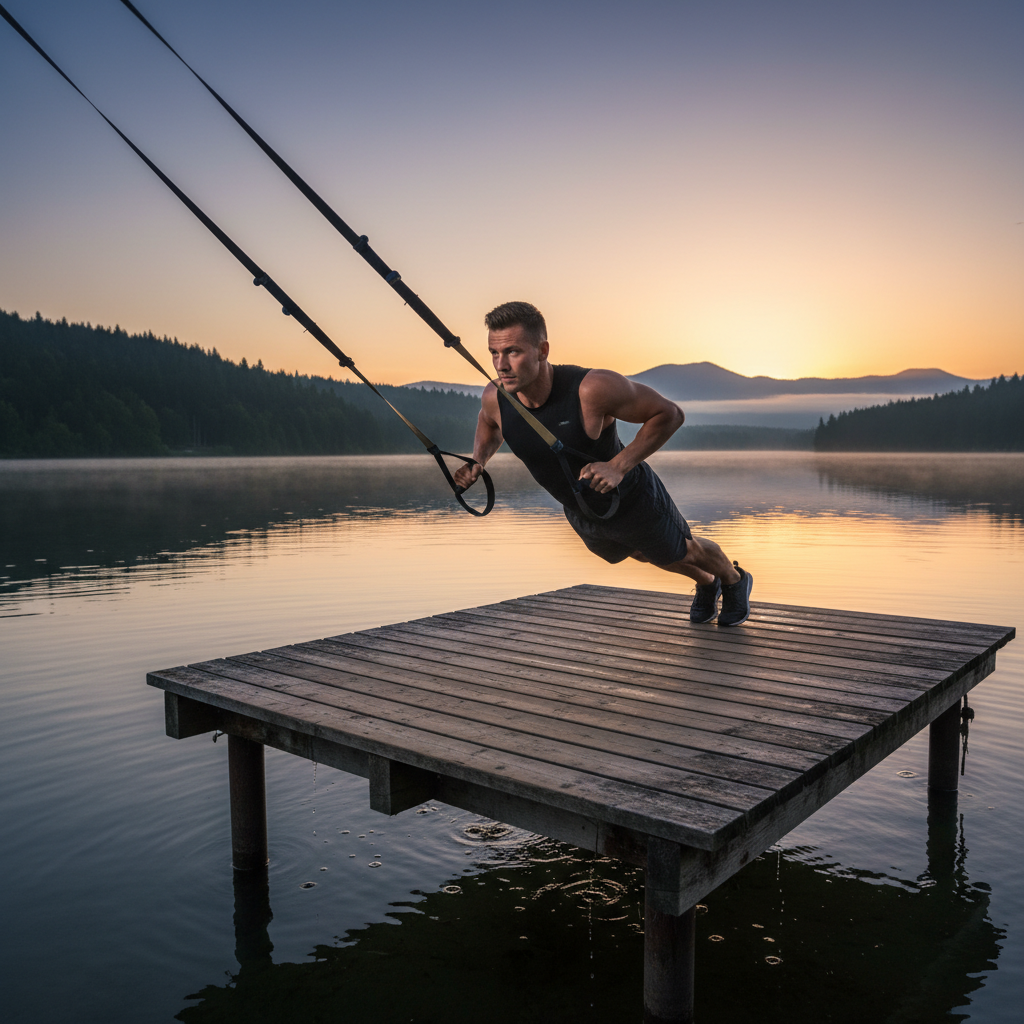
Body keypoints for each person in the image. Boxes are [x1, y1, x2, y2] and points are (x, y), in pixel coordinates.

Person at [453, 300, 753, 626]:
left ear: (542, 350)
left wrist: (617, 466)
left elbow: (669, 414)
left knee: (683, 549)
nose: (501, 365)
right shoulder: (495, 397)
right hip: (581, 507)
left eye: (513, 352)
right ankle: (708, 582)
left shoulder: (592, 388)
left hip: (631, 497)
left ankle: (734, 580)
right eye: (494, 353)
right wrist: (478, 460)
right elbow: (489, 423)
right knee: (641, 553)